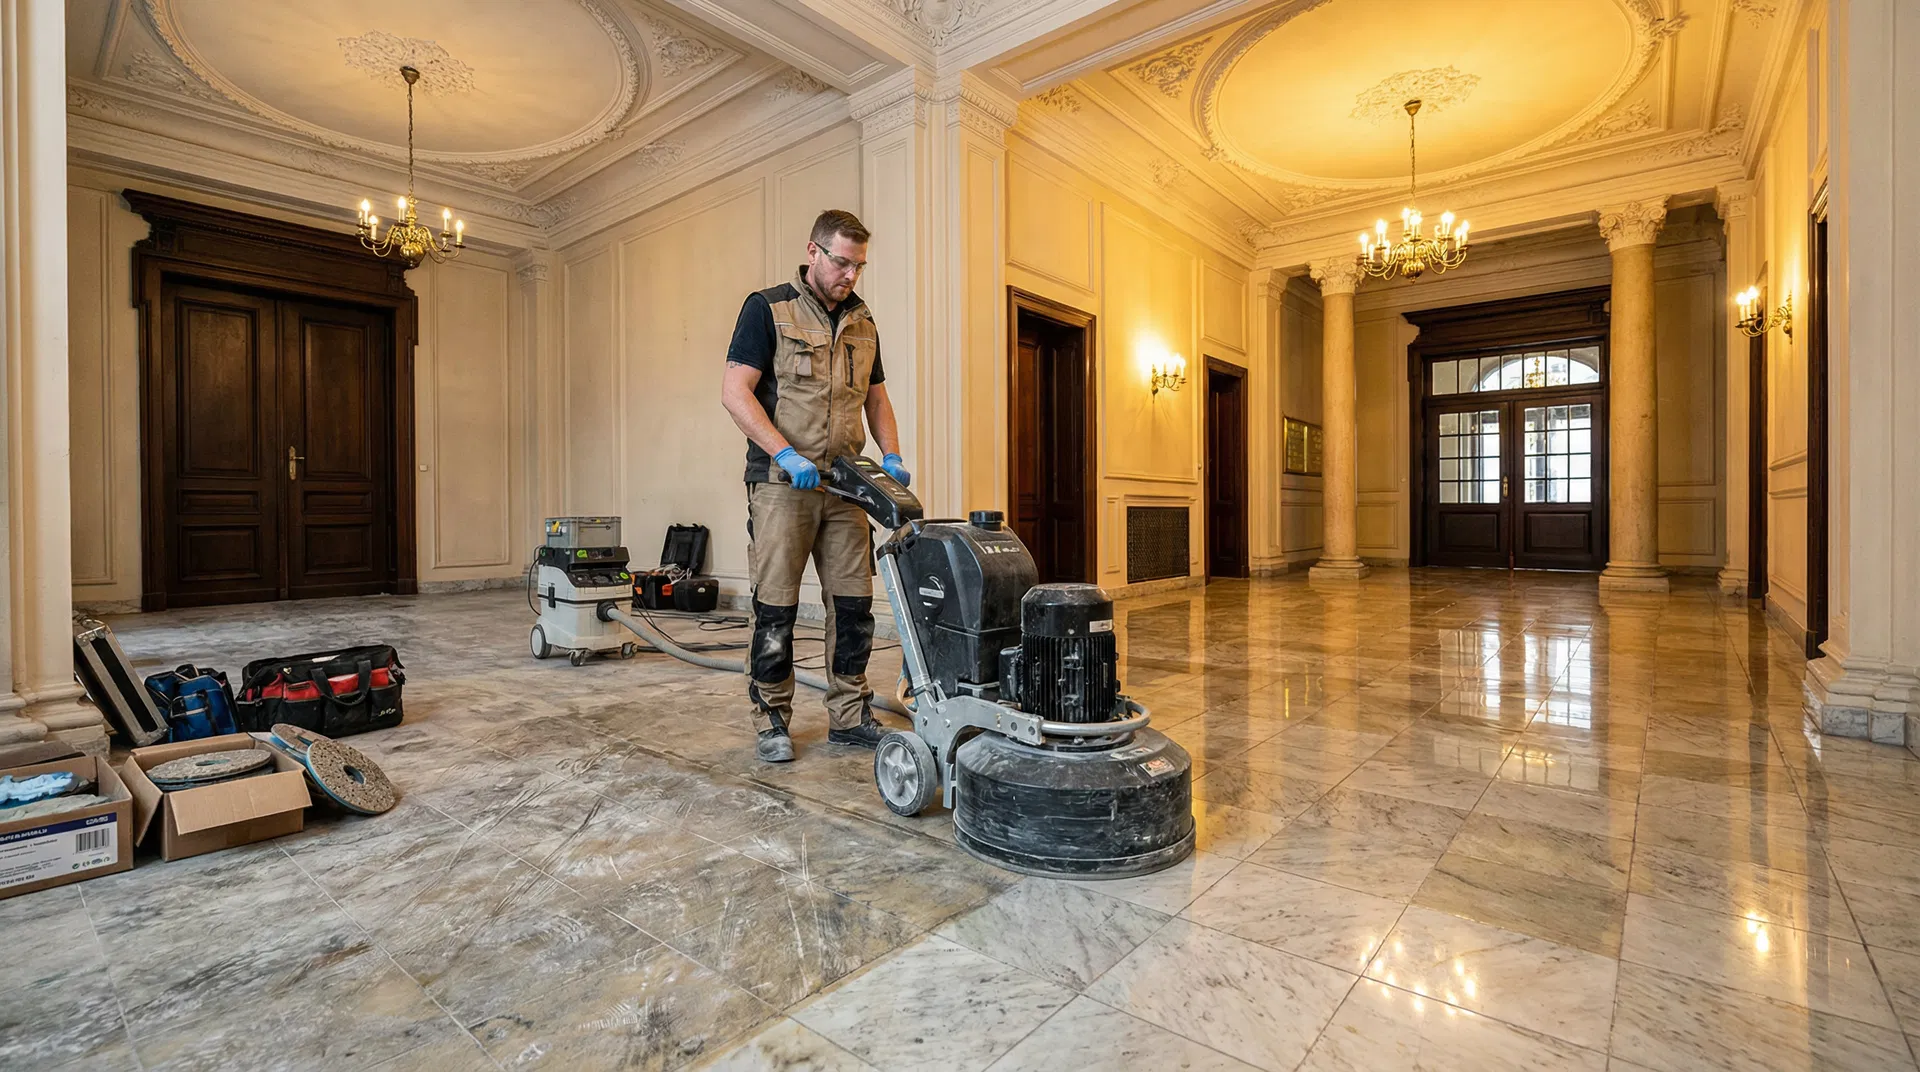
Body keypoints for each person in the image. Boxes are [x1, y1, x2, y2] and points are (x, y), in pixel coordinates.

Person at [721, 209, 911, 763]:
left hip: (847, 487)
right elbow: (737, 392)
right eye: (841, 262)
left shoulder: (863, 321)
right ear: (813, 251)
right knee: (776, 606)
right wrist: (782, 451)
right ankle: (773, 719)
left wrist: (891, 452)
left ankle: (849, 716)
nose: (850, 275)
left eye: (859, 266)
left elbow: (876, 397)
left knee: (853, 606)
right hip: (783, 484)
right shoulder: (768, 309)